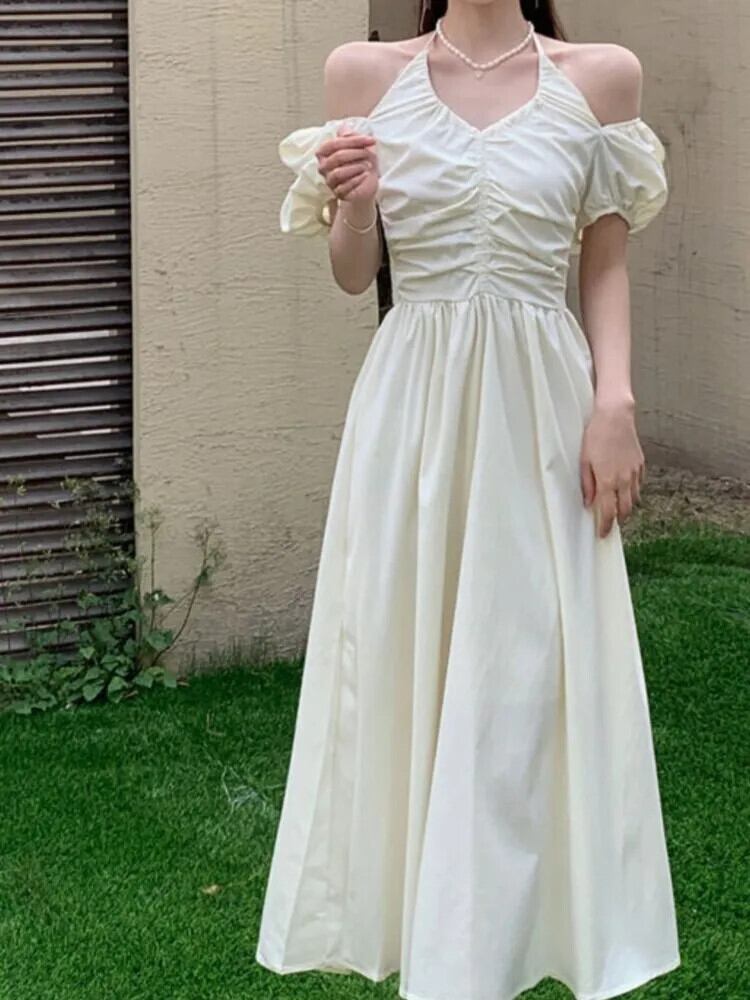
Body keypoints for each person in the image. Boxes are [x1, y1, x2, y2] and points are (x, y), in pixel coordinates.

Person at [255, 2, 682, 998]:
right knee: (408, 667)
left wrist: (615, 402)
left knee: (526, 679)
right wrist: (356, 204)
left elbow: (604, 259)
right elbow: (354, 274)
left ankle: (492, 953)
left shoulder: (603, 77)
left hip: (544, 413)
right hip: (413, 417)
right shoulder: (362, 74)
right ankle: (441, 947)